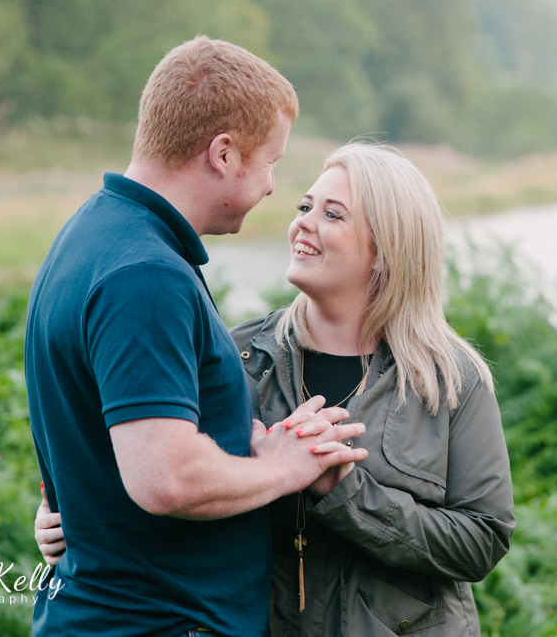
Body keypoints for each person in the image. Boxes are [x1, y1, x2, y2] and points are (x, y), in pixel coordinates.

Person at [39, 142, 515, 637]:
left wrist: (343, 491)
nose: (304, 222)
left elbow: (482, 541)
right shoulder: (234, 356)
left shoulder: (450, 378)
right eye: (305, 207)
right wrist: (74, 516)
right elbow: (161, 468)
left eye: (333, 215)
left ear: (386, 249)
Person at [25, 36, 368, 637]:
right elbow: (166, 477)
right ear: (224, 154)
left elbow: (106, 443)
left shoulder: (93, 234)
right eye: (271, 163)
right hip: (159, 623)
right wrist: (284, 467)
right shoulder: (146, 275)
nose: (270, 187)